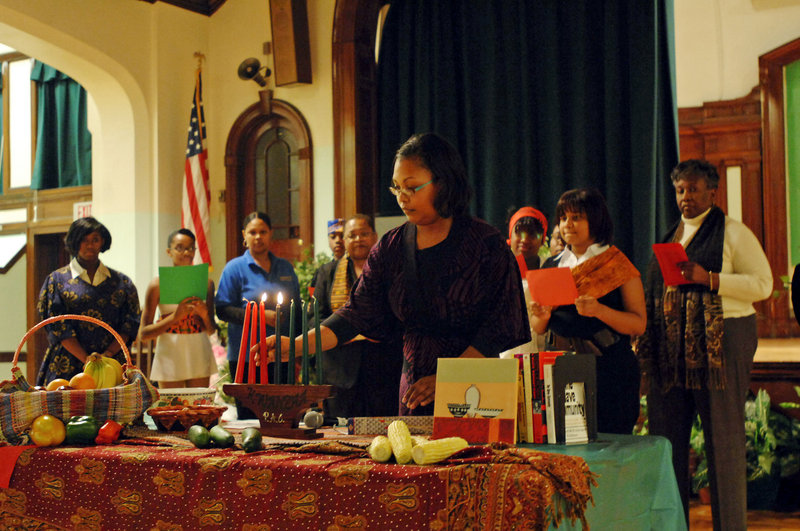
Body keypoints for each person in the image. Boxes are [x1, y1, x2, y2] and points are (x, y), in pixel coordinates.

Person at [265, 132, 530, 416]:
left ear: (443, 183)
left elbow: (500, 325)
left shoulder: (485, 245)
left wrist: (449, 379)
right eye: (396, 188)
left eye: (412, 187)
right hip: (415, 394)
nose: (402, 198)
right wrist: (296, 346)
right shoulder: (390, 249)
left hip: (477, 392)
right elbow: (355, 314)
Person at [636, 160, 772, 530]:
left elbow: (763, 285)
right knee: (668, 440)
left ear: (713, 191)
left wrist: (711, 278)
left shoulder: (733, 232)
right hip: (673, 351)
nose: (686, 197)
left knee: (722, 442)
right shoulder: (672, 235)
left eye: (694, 189)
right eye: (680, 190)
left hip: (723, 343)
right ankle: (673, 524)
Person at [530, 188, 646, 434]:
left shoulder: (615, 263)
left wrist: (599, 310)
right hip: (560, 369)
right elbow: (539, 328)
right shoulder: (553, 264)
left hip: (608, 369)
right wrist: (541, 317)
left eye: (576, 217)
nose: (567, 225)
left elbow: (638, 324)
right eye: (563, 218)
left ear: (595, 220)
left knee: (610, 448)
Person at [311, 214, 403, 417]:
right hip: (339, 372)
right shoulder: (327, 273)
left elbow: (400, 315)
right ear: (343, 240)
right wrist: (344, 331)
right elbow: (314, 319)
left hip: (383, 369)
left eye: (364, 234)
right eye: (352, 235)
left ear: (375, 236)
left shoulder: (390, 270)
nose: (358, 239)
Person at [36, 217, 141, 385]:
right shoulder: (56, 281)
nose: (90, 245)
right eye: (84, 240)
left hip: (111, 364)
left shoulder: (122, 282)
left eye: (95, 240)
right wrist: (86, 359)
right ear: (74, 242)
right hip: (67, 365)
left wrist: (106, 355)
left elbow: (130, 324)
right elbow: (56, 325)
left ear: (103, 242)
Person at [216, 212, 301, 415]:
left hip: (282, 353)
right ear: (244, 235)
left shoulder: (285, 267)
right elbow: (222, 310)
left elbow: (296, 309)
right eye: (252, 232)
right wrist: (259, 316)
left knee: (283, 414)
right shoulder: (234, 268)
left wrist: (298, 348)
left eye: (263, 232)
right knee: (250, 417)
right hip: (247, 356)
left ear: (271, 234)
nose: (258, 237)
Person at [138, 228, 217, 388]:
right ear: (169, 251)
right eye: (180, 248)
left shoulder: (206, 283)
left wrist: (204, 315)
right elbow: (144, 334)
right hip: (169, 352)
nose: (186, 252)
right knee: (172, 409)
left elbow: (212, 330)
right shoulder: (157, 285)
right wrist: (174, 317)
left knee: (199, 408)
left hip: (198, 350)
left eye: (190, 248)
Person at [502, 206, 549, 356]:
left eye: (532, 234)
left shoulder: (550, 268)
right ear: (510, 234)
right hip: (505, 355)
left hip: (543, 353)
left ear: (542, 239)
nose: (525, 239)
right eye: (519, 232)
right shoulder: (496, 269)